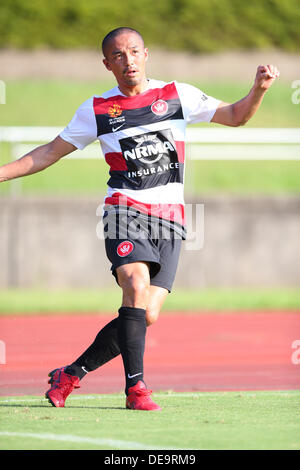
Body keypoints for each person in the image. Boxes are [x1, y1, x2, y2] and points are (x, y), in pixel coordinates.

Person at [0, 27, 280, 411]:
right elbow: (48, 153)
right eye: (118, 55)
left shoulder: (176, 95)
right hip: (124, 210)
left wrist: (259, 89)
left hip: (172, 220)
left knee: (145, 313)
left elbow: (235, 116)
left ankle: (71, 374)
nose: (128, 60)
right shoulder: (97, 109)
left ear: (146, 54)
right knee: (133, 280)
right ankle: (136, 389)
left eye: (134, 51)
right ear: (107, 64)